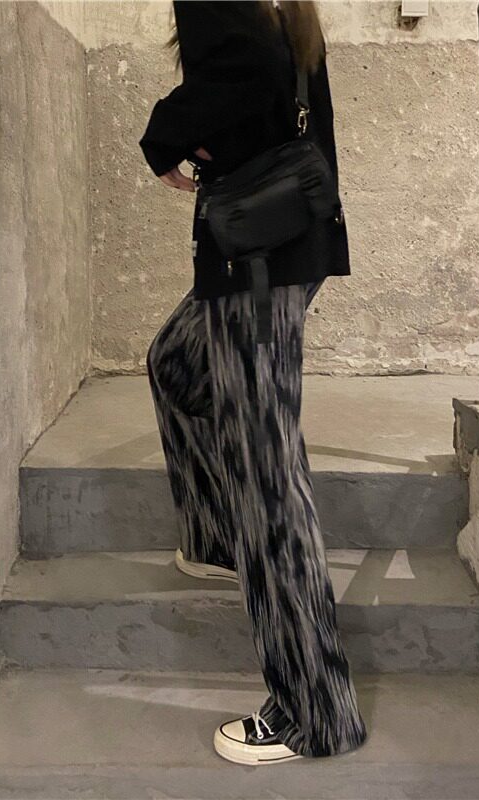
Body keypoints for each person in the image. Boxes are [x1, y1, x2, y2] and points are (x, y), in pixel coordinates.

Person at [139, 0, 366, 766]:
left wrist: (165, 133)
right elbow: (273, 80)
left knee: (268, 480)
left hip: (258, 259)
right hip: (280, 243)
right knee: (176, 365)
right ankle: (215, 540)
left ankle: (314, 712)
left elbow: (252, 68)